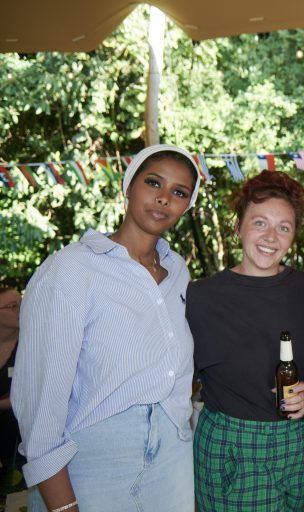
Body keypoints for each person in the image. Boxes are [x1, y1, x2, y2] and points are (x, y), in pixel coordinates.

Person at [12, 144, 201, 512]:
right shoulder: (72, 269)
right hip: (93, 455)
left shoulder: (178, 271)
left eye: (179, 193)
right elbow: (40, 398)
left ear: (187, 206)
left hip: (173, 450)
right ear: (129, 186)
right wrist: (62, 504)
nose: (164, 199)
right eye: (153, 183)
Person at [186, 170, 304, 511]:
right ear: (238, 227)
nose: (271, 236)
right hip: (231, 447)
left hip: (298, 442)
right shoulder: (200, 297)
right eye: (259, 222)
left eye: (284, 227)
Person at [0, 287, 21, 466]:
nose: (20, 310)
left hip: (18, 441)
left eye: (22, 304)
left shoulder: (30, 344)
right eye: (13, 306)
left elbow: (32, 392)